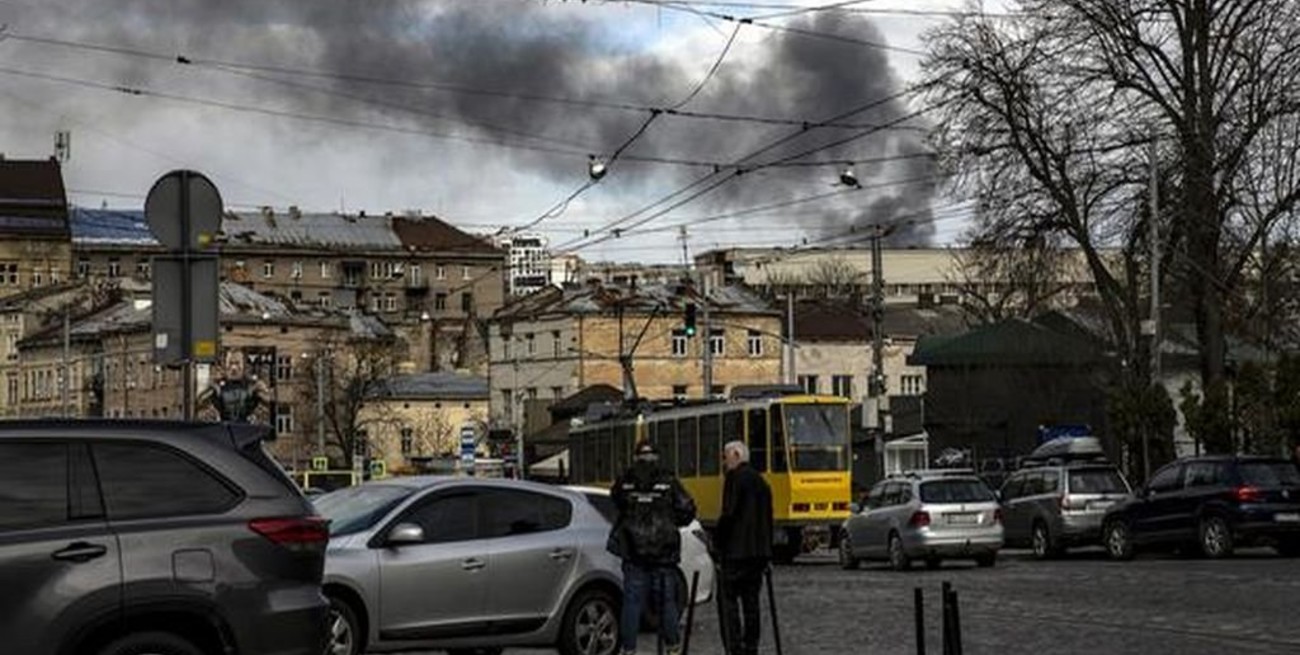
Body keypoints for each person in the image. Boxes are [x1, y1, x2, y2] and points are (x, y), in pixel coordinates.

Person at [609, 440, 697, 655]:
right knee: (666, 602)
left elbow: (616, 501)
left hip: (633, 551)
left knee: (631, 602)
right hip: (663, 553)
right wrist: (669, 523)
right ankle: (672, 647)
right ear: (656, 457)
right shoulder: (668, 479)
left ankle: (629, 649)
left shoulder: (625, 480)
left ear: (636, 457)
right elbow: (687, 509)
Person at [714, 440, 774, 655]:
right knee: (751, 603)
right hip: (758, 553)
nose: (724, 462)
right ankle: (752, 646)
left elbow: (729, 513)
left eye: (726, 456)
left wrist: (717, 540)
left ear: (737, 455)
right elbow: (768, 519)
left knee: (727, 601)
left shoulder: (735, 478)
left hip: (736, 552)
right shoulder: (761, 482)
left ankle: (734, 646)